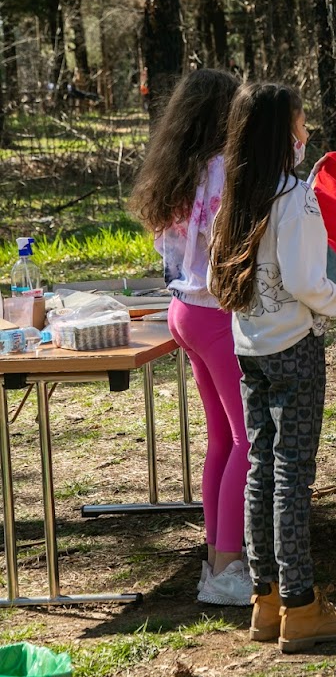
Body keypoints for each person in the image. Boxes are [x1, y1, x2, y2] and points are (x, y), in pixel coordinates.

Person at [209, 82, 336, 652]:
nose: (306, 136)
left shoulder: (236, 193)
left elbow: (217, 279)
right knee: (291, 475)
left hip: (249, 347)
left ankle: (267, 600)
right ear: (283, 133)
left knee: (261, 466)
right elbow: (308, 283)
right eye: (300, 126)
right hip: (294, 351)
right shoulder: (296, 196)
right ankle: (302, 606)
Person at [130, 68, 250, 605]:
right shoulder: (221, 169)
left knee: (222, 439)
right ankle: (228, 570)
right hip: (216, 312)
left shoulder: (177, 169)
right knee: (247, 441)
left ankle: (215, 557)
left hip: (184, 310)